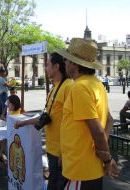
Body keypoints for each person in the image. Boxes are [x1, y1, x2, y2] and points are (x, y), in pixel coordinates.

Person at [56, 38, 118, 189]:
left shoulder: (79, 88)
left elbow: (97, 130)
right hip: (86, 166)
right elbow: (109, 120)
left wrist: (107, 158)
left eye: (67, 59)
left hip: (80, 169)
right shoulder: (96, 84)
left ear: (74, 64)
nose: (65, 63)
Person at [15, 52, 72, 190]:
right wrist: (24, 122)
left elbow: (72, 124)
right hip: (51, 147)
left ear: (56, 66)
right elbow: (47, 115)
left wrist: (65, 153)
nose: (45, 68)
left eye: (47, 65)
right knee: (53, 182)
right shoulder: (55, 87)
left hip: (61, 152)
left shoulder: (68, 86)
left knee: (58, 185)